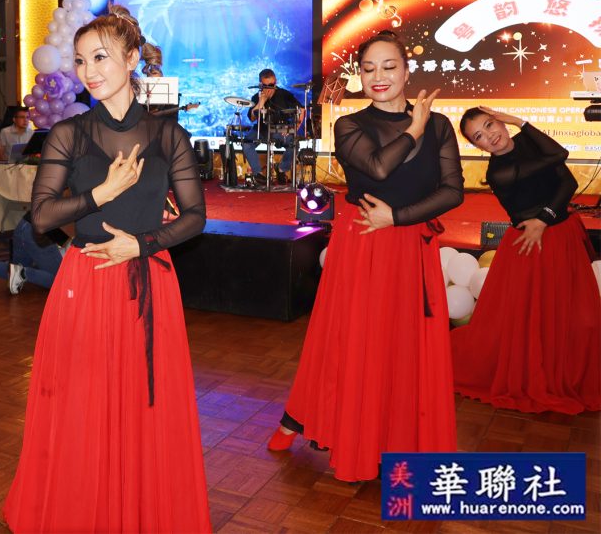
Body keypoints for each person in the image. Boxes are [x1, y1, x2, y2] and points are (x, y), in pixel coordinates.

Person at [3, 6, 211, 532]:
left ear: (132, 58)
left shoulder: (168, 135)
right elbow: (41, 216)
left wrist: (141, 245)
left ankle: (141, 511)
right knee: (82, 406)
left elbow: (195, 217)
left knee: (145, 403)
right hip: (86, 282)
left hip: (148, 282)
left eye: (99, 57)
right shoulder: (68, 133)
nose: (88, 71)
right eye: (79, 61)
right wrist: (101, 193)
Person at [267, 30, 463, 482]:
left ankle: (396, 436)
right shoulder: (350, 125)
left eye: (389, 66)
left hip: (410, 245)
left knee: (404, 348)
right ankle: (304, 419)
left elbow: (453, 191)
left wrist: (400, 217)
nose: (379, 76)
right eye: (369, 68)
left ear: (407, 71)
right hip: (364, 247)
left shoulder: (439, 126)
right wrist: (413, 129)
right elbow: (377, 168)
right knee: (348, 342)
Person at [452, 106, 599, 414]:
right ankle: (540, 373)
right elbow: (558, 156)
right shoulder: (498, 173)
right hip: (532, 247)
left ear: (500, 121)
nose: (490, 136)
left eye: (490, 125)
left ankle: (569, 370)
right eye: (479, 136)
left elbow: (568, 182)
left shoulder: (528, 143)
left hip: (561, 236)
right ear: (478, 147)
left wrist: (544, 217)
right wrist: (545, 219)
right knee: (536, 319)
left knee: (575, 315)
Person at [241, 68, 304, 185]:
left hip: (280, 129)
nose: (269, 88)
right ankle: (258, 173)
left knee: (294, 144)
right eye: (266, 86)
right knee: (246, 143)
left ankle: (281, 169)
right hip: (262, 130)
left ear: (275, 82)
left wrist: (294, 128)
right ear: (261, 84)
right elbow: (252, 118)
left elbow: (301, 109)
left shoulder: (284, 94)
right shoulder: (256, 97)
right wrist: (261, 102)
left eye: (272, 85)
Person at [0, 212, 69, 294]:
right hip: (39, 233)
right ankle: (22, 273)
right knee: (62, 281)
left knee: (13, 269)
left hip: (24, 225)